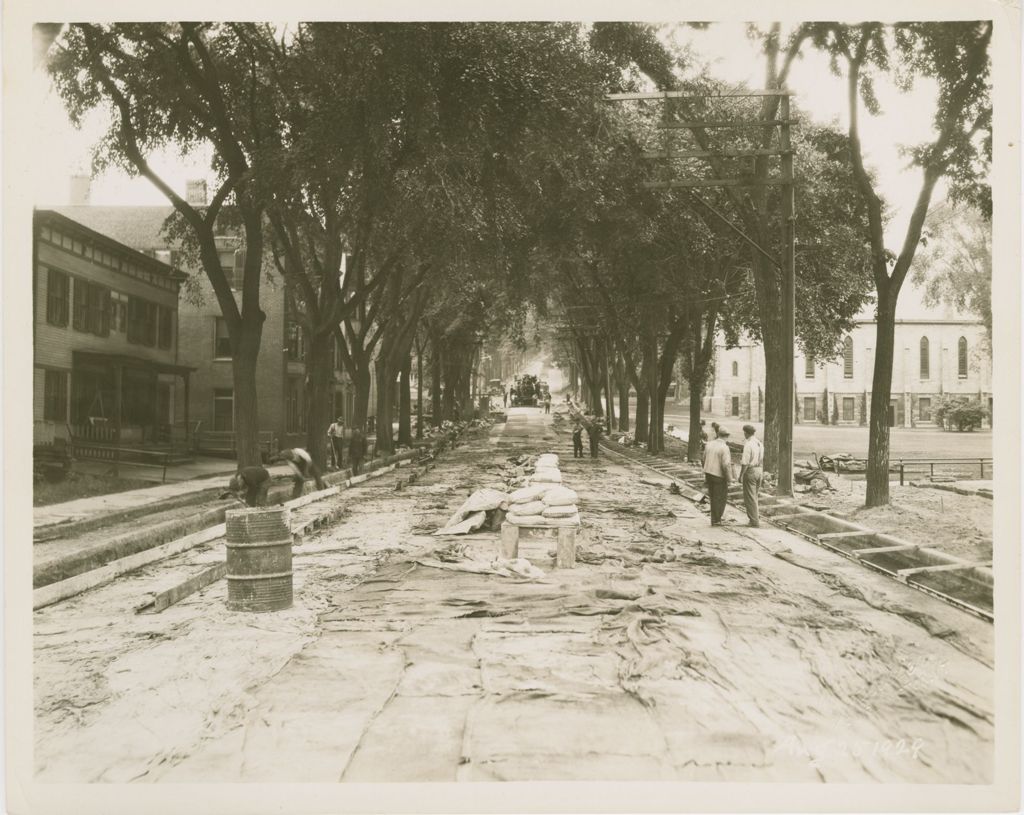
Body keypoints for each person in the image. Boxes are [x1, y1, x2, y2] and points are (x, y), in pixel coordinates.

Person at [702, 427, 733, 526]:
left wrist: (706, 470)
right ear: (727, 436)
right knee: (720, 498)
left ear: (718, 434)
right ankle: (717, 520)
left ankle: (714, 518)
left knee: (713, 497)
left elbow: (703, 458)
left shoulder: (709, 444)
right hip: (718, 475)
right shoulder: (724, 447)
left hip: (709, 473)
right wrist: (729, 479)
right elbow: (726, 465)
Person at [740, 424, 764, 527]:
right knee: (755, 496)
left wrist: (741, 475)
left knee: (750, 497)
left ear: (746, 433)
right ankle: (755, 518)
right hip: (759, 470)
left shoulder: (748, 444)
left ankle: (754, 521)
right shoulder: (759, 443)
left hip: (751, 470)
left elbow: (745, 462)